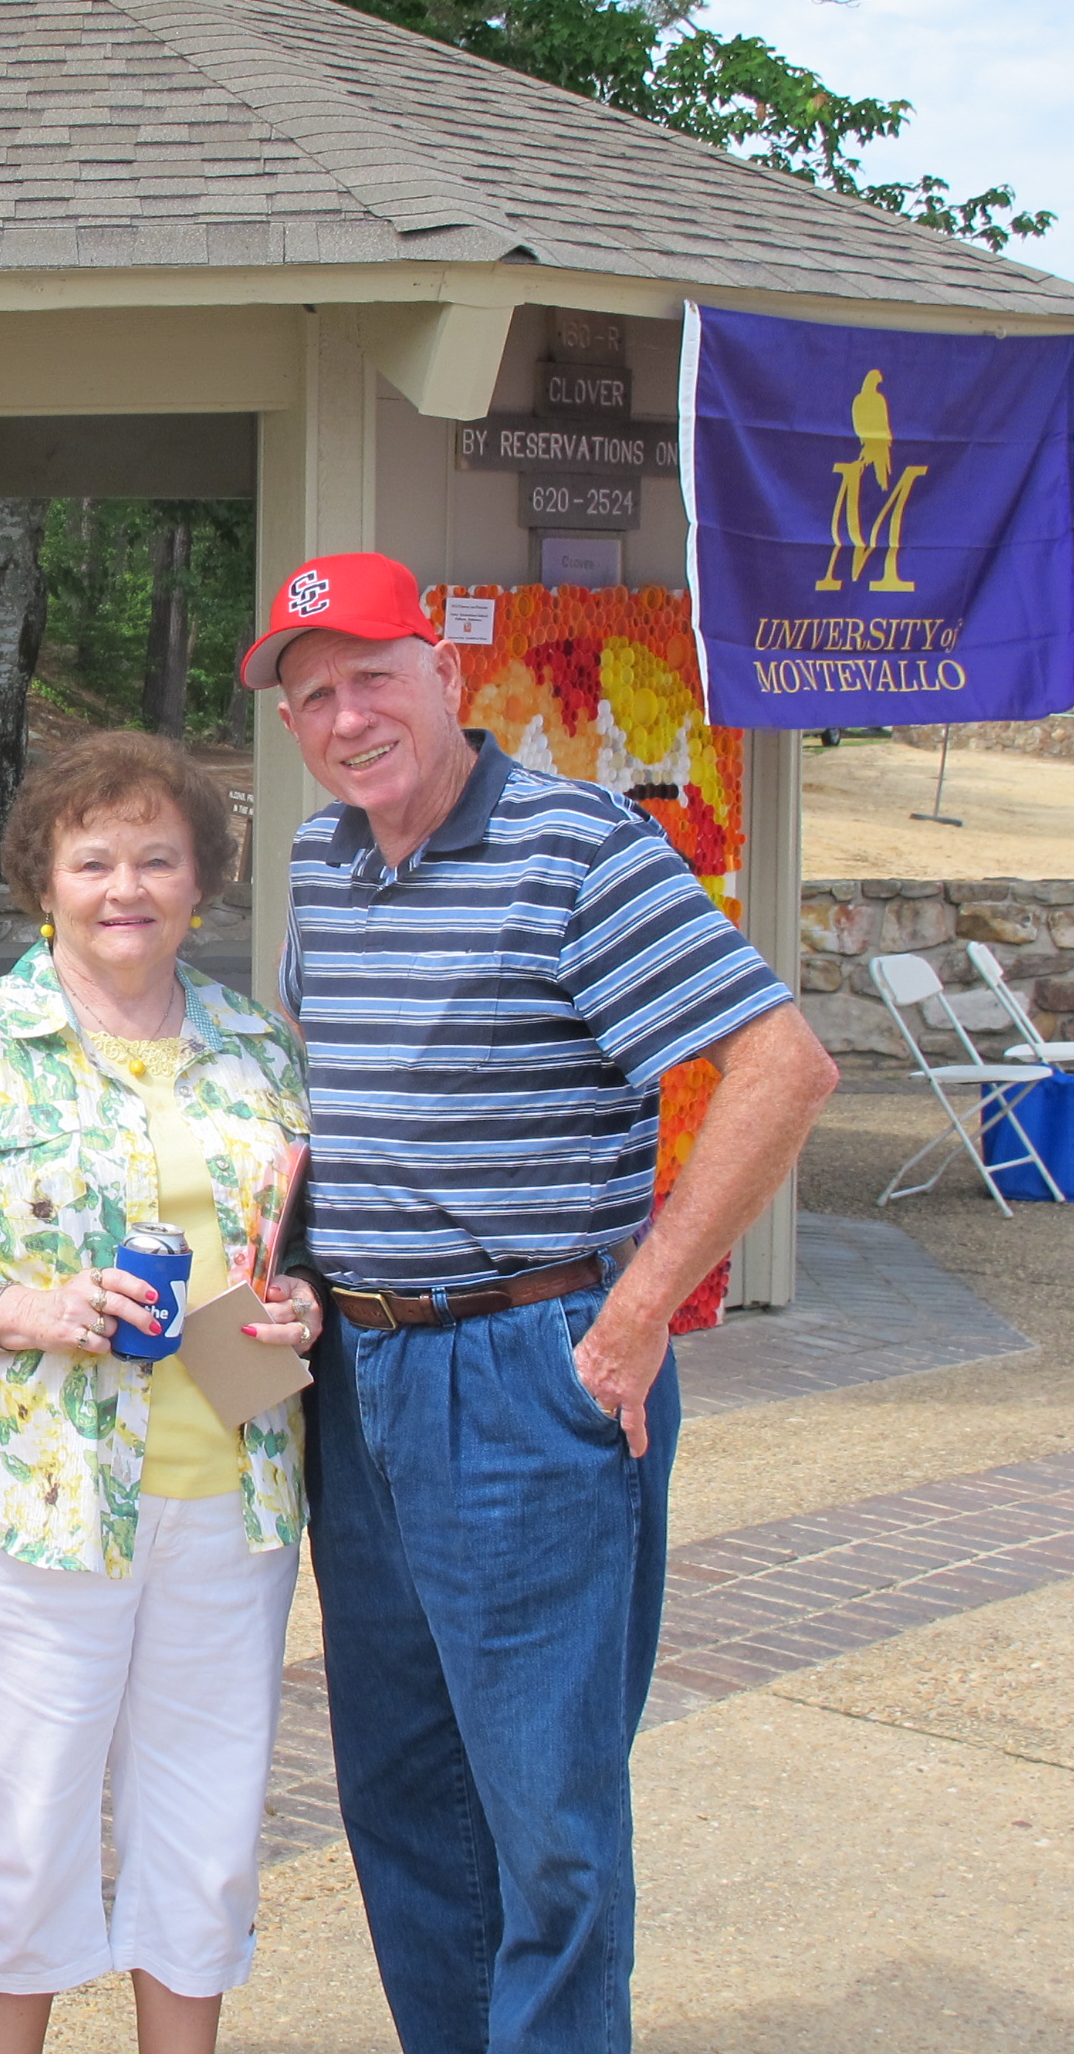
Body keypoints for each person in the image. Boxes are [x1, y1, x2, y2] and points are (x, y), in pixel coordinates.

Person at [243, 553, 837, 2054]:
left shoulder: (578, 847)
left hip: (524, 1368)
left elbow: (782, 1069)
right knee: (399, 1785)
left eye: (372, 675)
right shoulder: (319, 862)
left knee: (544, 1811)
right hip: (358, 1377)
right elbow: (350, 1101)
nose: (346, 716)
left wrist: (635, 1317)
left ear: (444, 671)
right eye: (312, 696)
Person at [0, 732, 320, 2054]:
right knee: (26, 1827)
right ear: (40, 881)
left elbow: (292, 1248)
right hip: (35, 1503)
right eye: (92, 859)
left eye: (157, 858)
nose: (126, 887)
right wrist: (26, 1309)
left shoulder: (258, 1049)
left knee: (207, 1831)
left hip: (230, 1499)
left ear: (200, 881)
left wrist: (302, 1306)